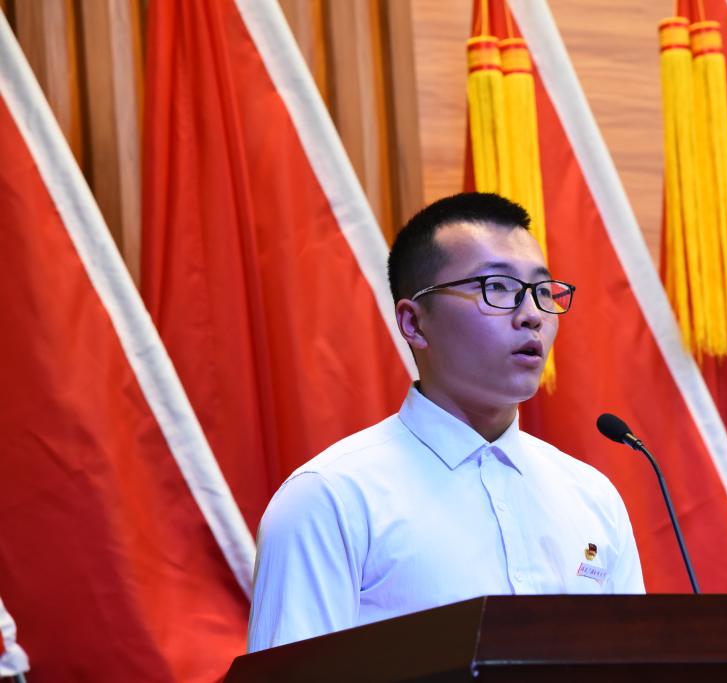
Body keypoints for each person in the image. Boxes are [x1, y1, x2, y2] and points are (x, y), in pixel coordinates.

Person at [247, 192, 644, 652]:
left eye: (542, 291)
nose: (533, 316)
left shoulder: (593, 497)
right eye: (498, 287)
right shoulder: (330, 498)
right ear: (413, 323)